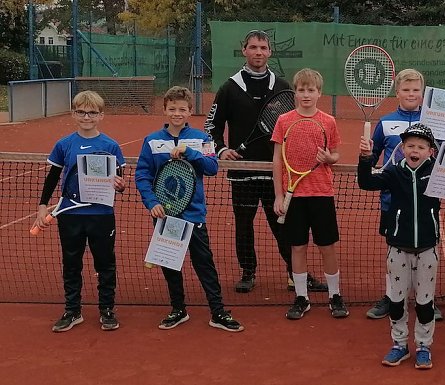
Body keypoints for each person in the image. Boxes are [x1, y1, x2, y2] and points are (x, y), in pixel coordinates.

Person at [205, 29, 326, 294]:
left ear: (270, 52)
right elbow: (211, 126)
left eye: (263, 47)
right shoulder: (229, 87)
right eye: (253, 47)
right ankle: (248, 273)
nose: (258, 52)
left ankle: (295, 275)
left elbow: (300, 122)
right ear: (244, 50)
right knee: (244, 225)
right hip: (242, 172)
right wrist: (222, 149)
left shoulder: (283, 87)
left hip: (277, 173)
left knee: (284, 225)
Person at [136, 86, 243, 332]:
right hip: (165, 214)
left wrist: (189, 152)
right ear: (164, 110)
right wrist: (152, 203)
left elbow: (211, 167)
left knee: (204, 262)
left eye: (181, 109)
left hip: (193, 214)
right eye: (172, 109)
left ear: (190, 111)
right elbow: (143, 175)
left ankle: (217, 311)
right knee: (170, 263)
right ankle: (178, 309)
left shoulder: (201, 139)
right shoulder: (152, 141)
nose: (176, 113)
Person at [35, 90, 126, 332]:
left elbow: (120, 181)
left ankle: (107, 309)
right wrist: (42, 207)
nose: (87, 117)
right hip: (70, 215)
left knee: (105, 263)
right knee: (71, 263)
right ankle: (72, 310)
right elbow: (52, 177)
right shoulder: (64, 145)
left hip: (101, 215)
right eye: (81, 112)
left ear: (101, 115)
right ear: (74, 114)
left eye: (92, 112)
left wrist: (120, 185)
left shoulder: (111, 145)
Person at [364, 69, 445, 321]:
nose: (411, 94)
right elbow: (373, 155)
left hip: (425, 202)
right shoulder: (386, 122)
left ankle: (426, 299)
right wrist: (367, 156)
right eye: (406, 89)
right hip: (392, 202)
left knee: (424, 252)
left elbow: (444, 153)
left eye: (416, 90)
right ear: (397, 91)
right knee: (395, 252)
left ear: (422, 93)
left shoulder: (434, 121)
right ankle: (392, 297)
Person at [358, 123, 441, 370]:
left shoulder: (437, 172)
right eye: (410, 145)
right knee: (397, 300)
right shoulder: (394, 173)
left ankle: (424, 346)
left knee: (425, 304)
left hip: (427, 248)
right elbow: (365, 183)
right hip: (398, 248)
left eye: (421, 146)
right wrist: (365, 159)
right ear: (403, 148)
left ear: (430, 151)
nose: (415, 150)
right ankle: (400, 345)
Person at [272, 68, 348, 320]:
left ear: (319, 93)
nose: (306, 94)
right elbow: (277, 160)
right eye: (301, 90)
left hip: (322, 194)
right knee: (298, 247)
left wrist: (329, 158)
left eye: (311, 90)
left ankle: (334, 296)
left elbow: (335, 155)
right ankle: (301, 297)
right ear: (295, 92)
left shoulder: (329, 121)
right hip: (294, 197)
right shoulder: (283, 121)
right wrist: (278, 195)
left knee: (327, 247)